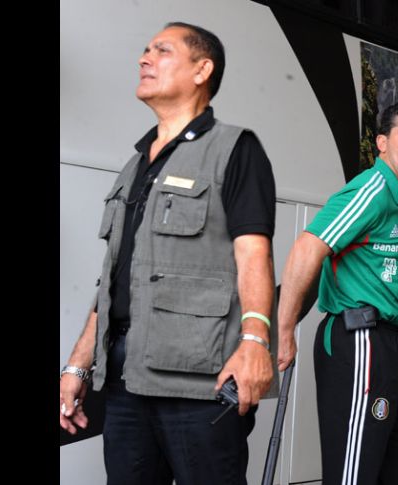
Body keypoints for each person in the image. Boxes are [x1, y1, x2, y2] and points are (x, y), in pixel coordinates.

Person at [59, 22, 277, 485]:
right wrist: (79, 363)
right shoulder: (134, 165)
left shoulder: (235, 150)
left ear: (202, 70)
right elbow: (115, 277)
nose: (144, 58)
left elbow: (254, 256)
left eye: (161, 50)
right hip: (124, 382)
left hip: (199, 385)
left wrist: (255, 342)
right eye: (144, 49)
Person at [277, 101, 398, 484]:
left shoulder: (397, 198)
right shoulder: (372, 189)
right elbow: (308, 247)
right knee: (354, 475)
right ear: (382, 142)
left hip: (381, 344)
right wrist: (283, 330)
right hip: (359, 341)